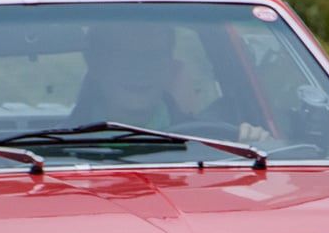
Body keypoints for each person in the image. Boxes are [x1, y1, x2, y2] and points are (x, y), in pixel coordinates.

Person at [69, 21, 272, 143]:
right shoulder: (56, 148)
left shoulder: (216, 142)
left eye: (153, 57)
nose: (139, 70)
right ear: (95, 65)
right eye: (125, 58)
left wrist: (257, 143)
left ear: (169, 65)